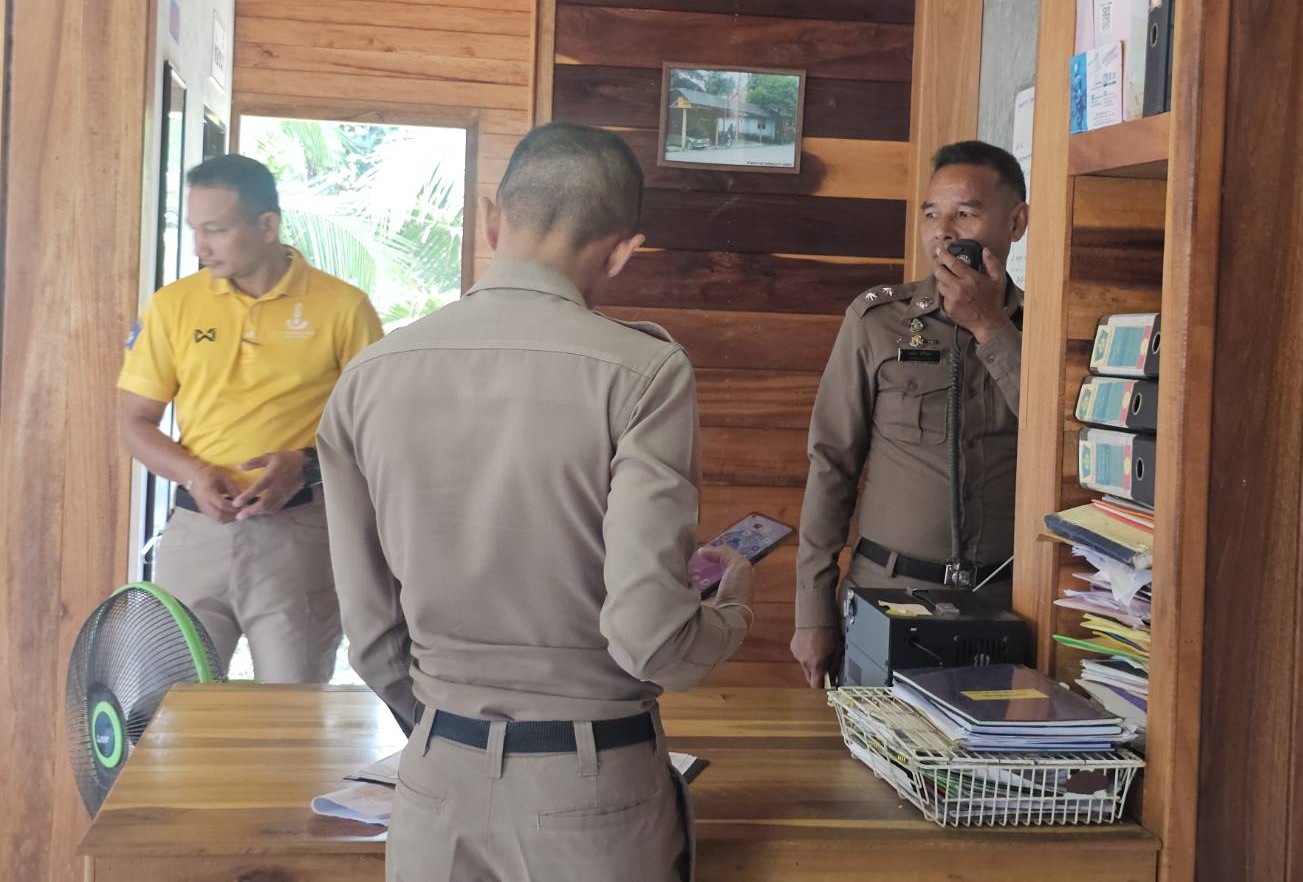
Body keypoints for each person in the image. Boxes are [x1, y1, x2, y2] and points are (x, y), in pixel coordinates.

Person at [317, 122, 754, 882]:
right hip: (593, 788)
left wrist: (446, 729)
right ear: (621, 252)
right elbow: (650, 638)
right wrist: (732, 607)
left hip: (433, 787)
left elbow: (372, 638)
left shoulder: (368, 375)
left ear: (492, 220)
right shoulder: (644, 373)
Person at [118, 153, 383, 681]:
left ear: (267, 225)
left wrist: (304, 466)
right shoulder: (173, 306)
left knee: (290, 708)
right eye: (195, 229)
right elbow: (134, 422)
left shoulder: (344, 308)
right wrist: (194, 473)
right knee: (171, 708)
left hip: (299, 536)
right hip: (196, 533)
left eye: (216, 230)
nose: (201, 246)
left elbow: (378, 428)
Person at [790, 141, 1029, 688]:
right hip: (887, 597)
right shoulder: (878, 321)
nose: (943, 231)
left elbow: (1061, 443)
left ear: (1015, 223)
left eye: (964, 213)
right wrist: (812, 609)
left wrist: (990, 327)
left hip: (1009, 603)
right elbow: (831, 465)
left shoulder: (1046, 329)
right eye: (931, 214)